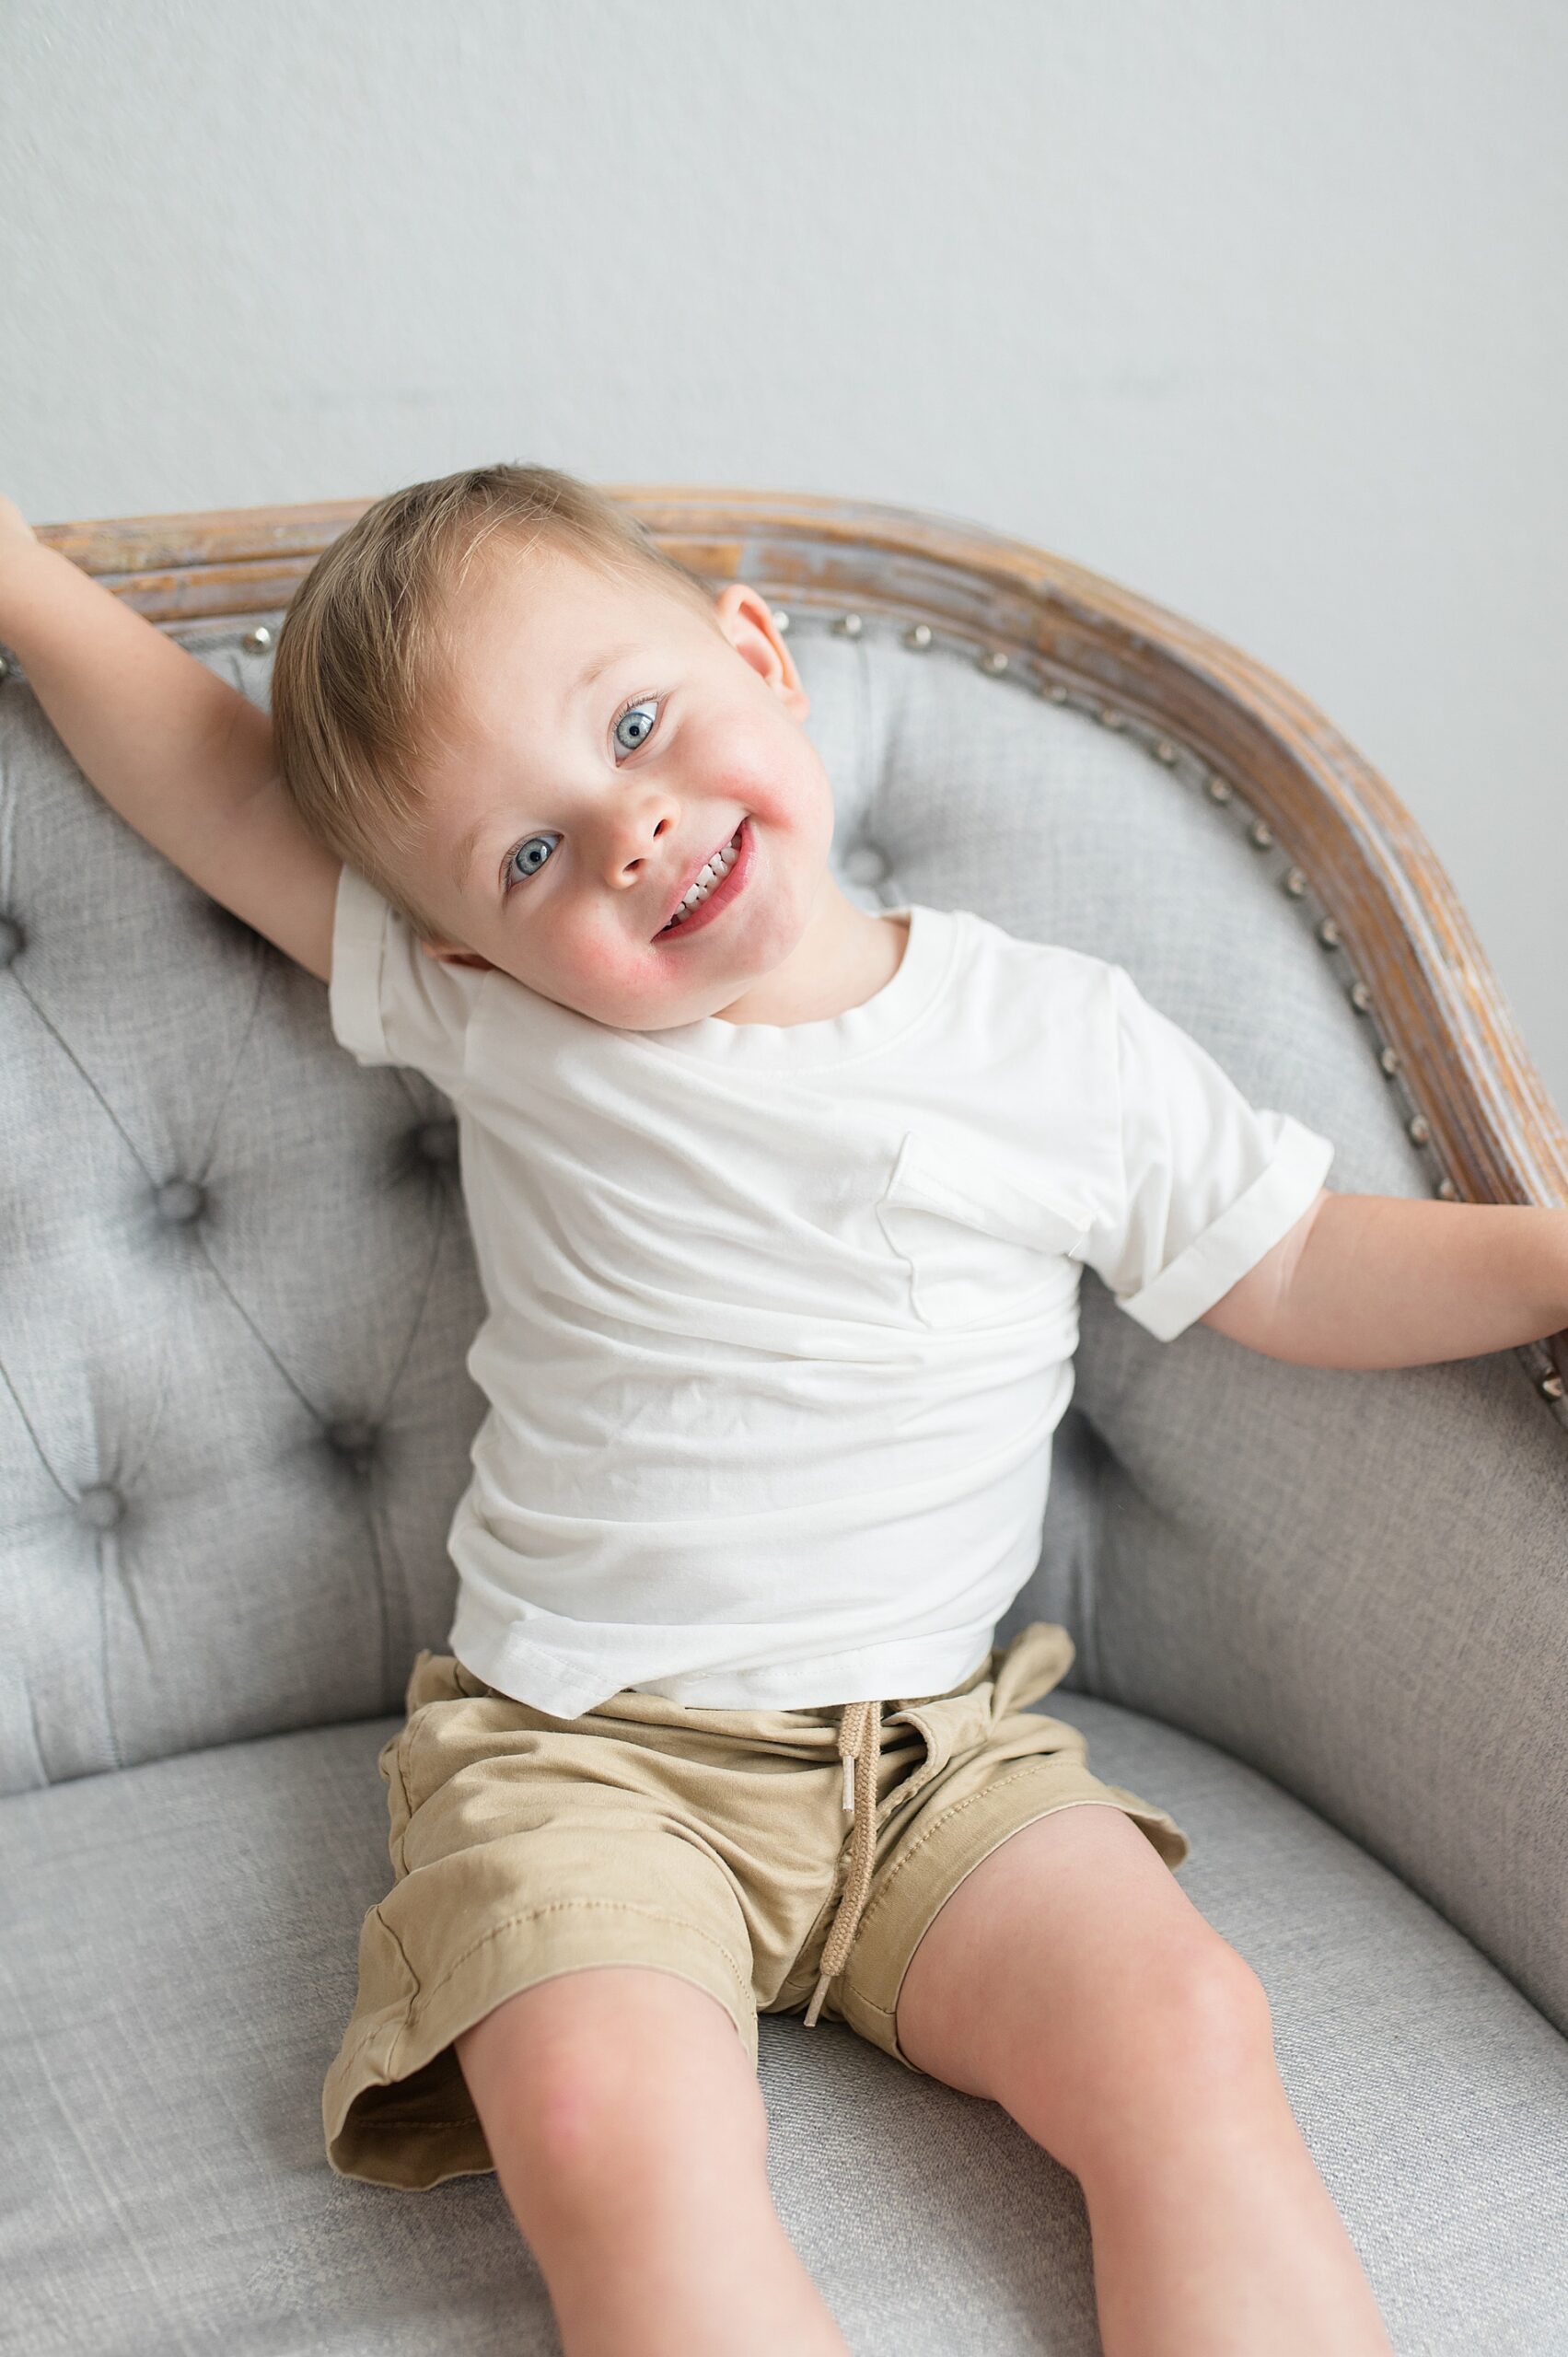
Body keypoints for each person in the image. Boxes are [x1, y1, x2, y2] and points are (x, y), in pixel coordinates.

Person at [9, 461, 1556, 2356]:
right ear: (470, 946)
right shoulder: (515, 1021)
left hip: (935, 1761)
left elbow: (1297, 1260)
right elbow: (223, 775)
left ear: (761, 653)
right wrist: (20, 578)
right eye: (529, 854)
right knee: (602, 2124)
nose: (632, 830)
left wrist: (1548, 1256)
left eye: (640, 725)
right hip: (587, 1755)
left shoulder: (1050, 1037)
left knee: (1185, 2025)